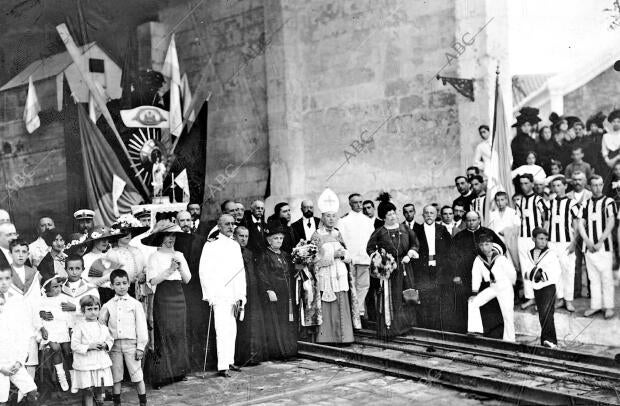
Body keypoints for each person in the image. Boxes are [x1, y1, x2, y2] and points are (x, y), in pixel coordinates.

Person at [143, 222, 192, 387]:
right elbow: (152, 281)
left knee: (178, 333)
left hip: (179, 295)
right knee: (164, 333)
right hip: (163, 296)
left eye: (173, 236)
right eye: (167, 236)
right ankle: (161, 375)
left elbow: (187, 279)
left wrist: (179, 268)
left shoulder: (180, 254)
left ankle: (179, 371)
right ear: (160, 238)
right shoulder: (154, 257)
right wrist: (170, 270)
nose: (171, 239)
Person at [199, 214, 246, 377]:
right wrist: (210, 295)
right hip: (219, 293)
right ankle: (222, 365)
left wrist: (241, 294)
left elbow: (240, 271)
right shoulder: (211, 245)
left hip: (233, 293)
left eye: (233, 224)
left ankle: (230, 360)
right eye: (227, 224)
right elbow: (204, 272)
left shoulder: (234, 245)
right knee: (222, 329)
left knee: (232, 329)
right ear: (219, 226)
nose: (231, 227)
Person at [366, 193, 419, 338]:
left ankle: (407, 326)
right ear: (384, 217)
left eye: (394, 213)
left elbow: (415, 243)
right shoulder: (379, 232)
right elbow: (370, 248)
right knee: (393, 297)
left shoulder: (405, 229)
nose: (393, 216)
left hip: (405, 267)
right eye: (389, 214)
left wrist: (410, 254)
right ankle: (391, 328)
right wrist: (380, 259)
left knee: (408, 295)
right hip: (390, 270)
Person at [312, 188, 358, 342]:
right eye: (328, 216)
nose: (331, 219)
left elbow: (347, 253)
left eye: (333, 216)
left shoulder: (338, 233)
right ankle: (328, 338)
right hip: (326, 276)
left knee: (342, 303)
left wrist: (344, 255)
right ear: (322, 217)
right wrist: (333, 255)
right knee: (328, 306)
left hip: (340, 274)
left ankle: (344, 338)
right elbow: (314, 260)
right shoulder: (317, 235)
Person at [453, 212, 506, 339]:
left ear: (479, 220)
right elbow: (452, 257)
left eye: (474, 220)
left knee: (491, 303)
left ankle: (493, 332)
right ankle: (474, 331)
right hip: (466, 275)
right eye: (469, 220)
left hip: (487, 275)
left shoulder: (488, 233)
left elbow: (501, 248)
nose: (471, 223)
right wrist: (456, 274)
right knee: (471, 301)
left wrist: (490, 260)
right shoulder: (459, 236)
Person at [100, 269, 148, 406]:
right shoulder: (107, 305)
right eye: (118, 283)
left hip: (131, 345)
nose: (121, 286)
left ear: (128, 284)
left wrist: (140, 347)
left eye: (124, 283)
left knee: (137, 375)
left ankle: (143, 403)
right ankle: (117, 403)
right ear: (112, 285)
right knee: (116, 377)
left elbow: (141, 327)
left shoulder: (135, 304)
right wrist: (105, 343)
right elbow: (101, 326)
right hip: (114, 346)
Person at [256, 226, 298, 359]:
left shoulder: (285, 255)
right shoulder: (265, 256)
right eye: (275, 238)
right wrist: (268, 289)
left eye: (281, 238)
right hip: (275, 294)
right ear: (269, 240)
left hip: (287, 294)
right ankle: (279, 352)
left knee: (287, 321)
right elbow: (261, 274)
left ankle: (290, 350)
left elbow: (292, 272)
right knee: (276, 322)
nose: (279, 241)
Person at [578, 176, 616, 319]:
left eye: (600, 185)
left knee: (606, 277)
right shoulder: (585, 203)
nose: (598, 188)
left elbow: (611, 222)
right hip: (589, 247)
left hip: (603, 246)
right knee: (593, 278)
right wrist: (587, 241)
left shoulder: (609, 202)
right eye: (594, 185)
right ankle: (595, 306)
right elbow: (581, 223)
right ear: (590, 186)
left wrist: (600, 241)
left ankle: (609, 307)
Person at [468, 232, 517, 341]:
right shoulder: (479, 259)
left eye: (486, 244)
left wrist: (511, 285)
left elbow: (512, 273)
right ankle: (476, 331)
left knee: (507, 314)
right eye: (481, 245)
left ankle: (509, 340)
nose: (484, 248)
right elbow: (476, 276)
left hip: (504, 287)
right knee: (473, 302)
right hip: (493, 287)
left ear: (491, 245)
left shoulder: (501, 258)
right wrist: (474, 293)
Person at [0, 267, 38, 406]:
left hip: (13, 360)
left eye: (7, 278)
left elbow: (23, 334)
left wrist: (19, 361)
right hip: (0, 363)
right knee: (2, 399)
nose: (3, 283)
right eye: (0, 279)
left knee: (32, 390)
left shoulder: (17, 301)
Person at [412, 206, 452, 331]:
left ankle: (438, 325)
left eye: (432, 213)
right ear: (423, 215)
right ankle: (425, 325)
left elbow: (450, 249)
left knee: (438, 295)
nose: (429, 215)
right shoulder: (416, 230)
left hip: (439, 268)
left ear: (436, 215)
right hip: (422, 268)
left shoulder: (442, 229)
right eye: (426, 213)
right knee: (424, 295)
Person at [71, 295, 114, 406]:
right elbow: (74, 345)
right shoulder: (79, 326)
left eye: (95, 309)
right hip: (86, 364)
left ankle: (100, 403)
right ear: (83, 311)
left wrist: (105, 345)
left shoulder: (102, 326)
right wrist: (89, 347)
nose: (93, 312)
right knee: (88, 391)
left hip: (100, 363)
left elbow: (110, 339)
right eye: (89, 309)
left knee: (100, 389)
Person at [233, 226, 267, 365]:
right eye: (241, 236)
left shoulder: (249, 252)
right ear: (235, 236)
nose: (244, 239)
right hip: (238, 292)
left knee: (252, 323)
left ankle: (252, 356)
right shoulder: (231, 252)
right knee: (240, 324)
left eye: (246, 236)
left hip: (251, 292)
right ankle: (239, 357)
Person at [521, 228, 560, 348]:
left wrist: (542, 275)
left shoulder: (551, 253)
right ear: (533, 239)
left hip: (549, 286)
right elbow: (526, 270)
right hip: (536, 287)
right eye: (540, 239)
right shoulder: (528, 253)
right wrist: (532, 274)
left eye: (545, 239)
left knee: (547, 312)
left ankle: (551, 340)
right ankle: (545, 340)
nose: (543, 242)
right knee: (542, 314)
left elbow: (557, 270)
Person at [338, 193, 375, 321]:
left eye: (360, 202)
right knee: (351, 286)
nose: (359, 205)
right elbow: (342, 241)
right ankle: (352, 313)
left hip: (364, 259)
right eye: (355, 202)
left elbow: (371, 240)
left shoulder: (368, 221)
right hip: (351, 260)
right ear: (350, 204)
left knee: (364, 286)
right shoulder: (343, 221)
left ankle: (358, 312)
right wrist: (348, 256)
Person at [9, 239, 41, 380]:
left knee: (31, 358)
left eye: (24, 252)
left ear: (28, 254)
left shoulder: (33, 273)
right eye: (17, 251)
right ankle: (11, 394)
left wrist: (39, 325)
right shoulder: (4, 273)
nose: (20, 255)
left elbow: (36, 301)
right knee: (12, 357)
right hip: (10, 321)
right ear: (10, 254)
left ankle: (28, 393)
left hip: (29, 320)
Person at [548, 176, 580, 312]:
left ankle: (568, 300)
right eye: (554, 186)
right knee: (555, 272)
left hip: (566, 242)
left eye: (559, 185)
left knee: (568, 271)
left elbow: (577, 225)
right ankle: (560, 299)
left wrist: (574, 242)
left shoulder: (572, 203)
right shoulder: (550, 202)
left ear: (565, 186)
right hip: (552, 242)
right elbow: (547, 222)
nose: (557, 188)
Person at [515, 174, 547, 310]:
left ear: (532, 183)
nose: (523, 186)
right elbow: (518, 221)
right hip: (522, 239)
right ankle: (530, 297)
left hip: (535, 240)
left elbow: (546, 220)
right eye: (521, 183)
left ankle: (542, 298)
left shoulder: (539, 200)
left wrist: (543, 239)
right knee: (526, 269)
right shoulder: (519, 202)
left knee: (538, 268)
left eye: (526, 183)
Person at [39, 276, 72, 392]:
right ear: (47, 288)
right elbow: (36, 313)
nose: (58, 289)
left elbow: (69, 313)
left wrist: (70, 327)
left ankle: (73, 377)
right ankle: (61, 376)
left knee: (67, 351)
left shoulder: (63, 298)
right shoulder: (41, 300)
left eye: (60, 286)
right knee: (56, 348)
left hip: (62, 327)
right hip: (50, 328)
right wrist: (41, 314)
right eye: (55, 287)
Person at [60, 255, 100, 330]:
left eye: (77, 268)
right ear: (65, 269)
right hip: (64, 331)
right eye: (71, 269)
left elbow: (96, 312)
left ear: (83, 269)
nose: (74, 272)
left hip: (85, 330)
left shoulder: (91, 289)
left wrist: (76, 308)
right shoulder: (59, 288)